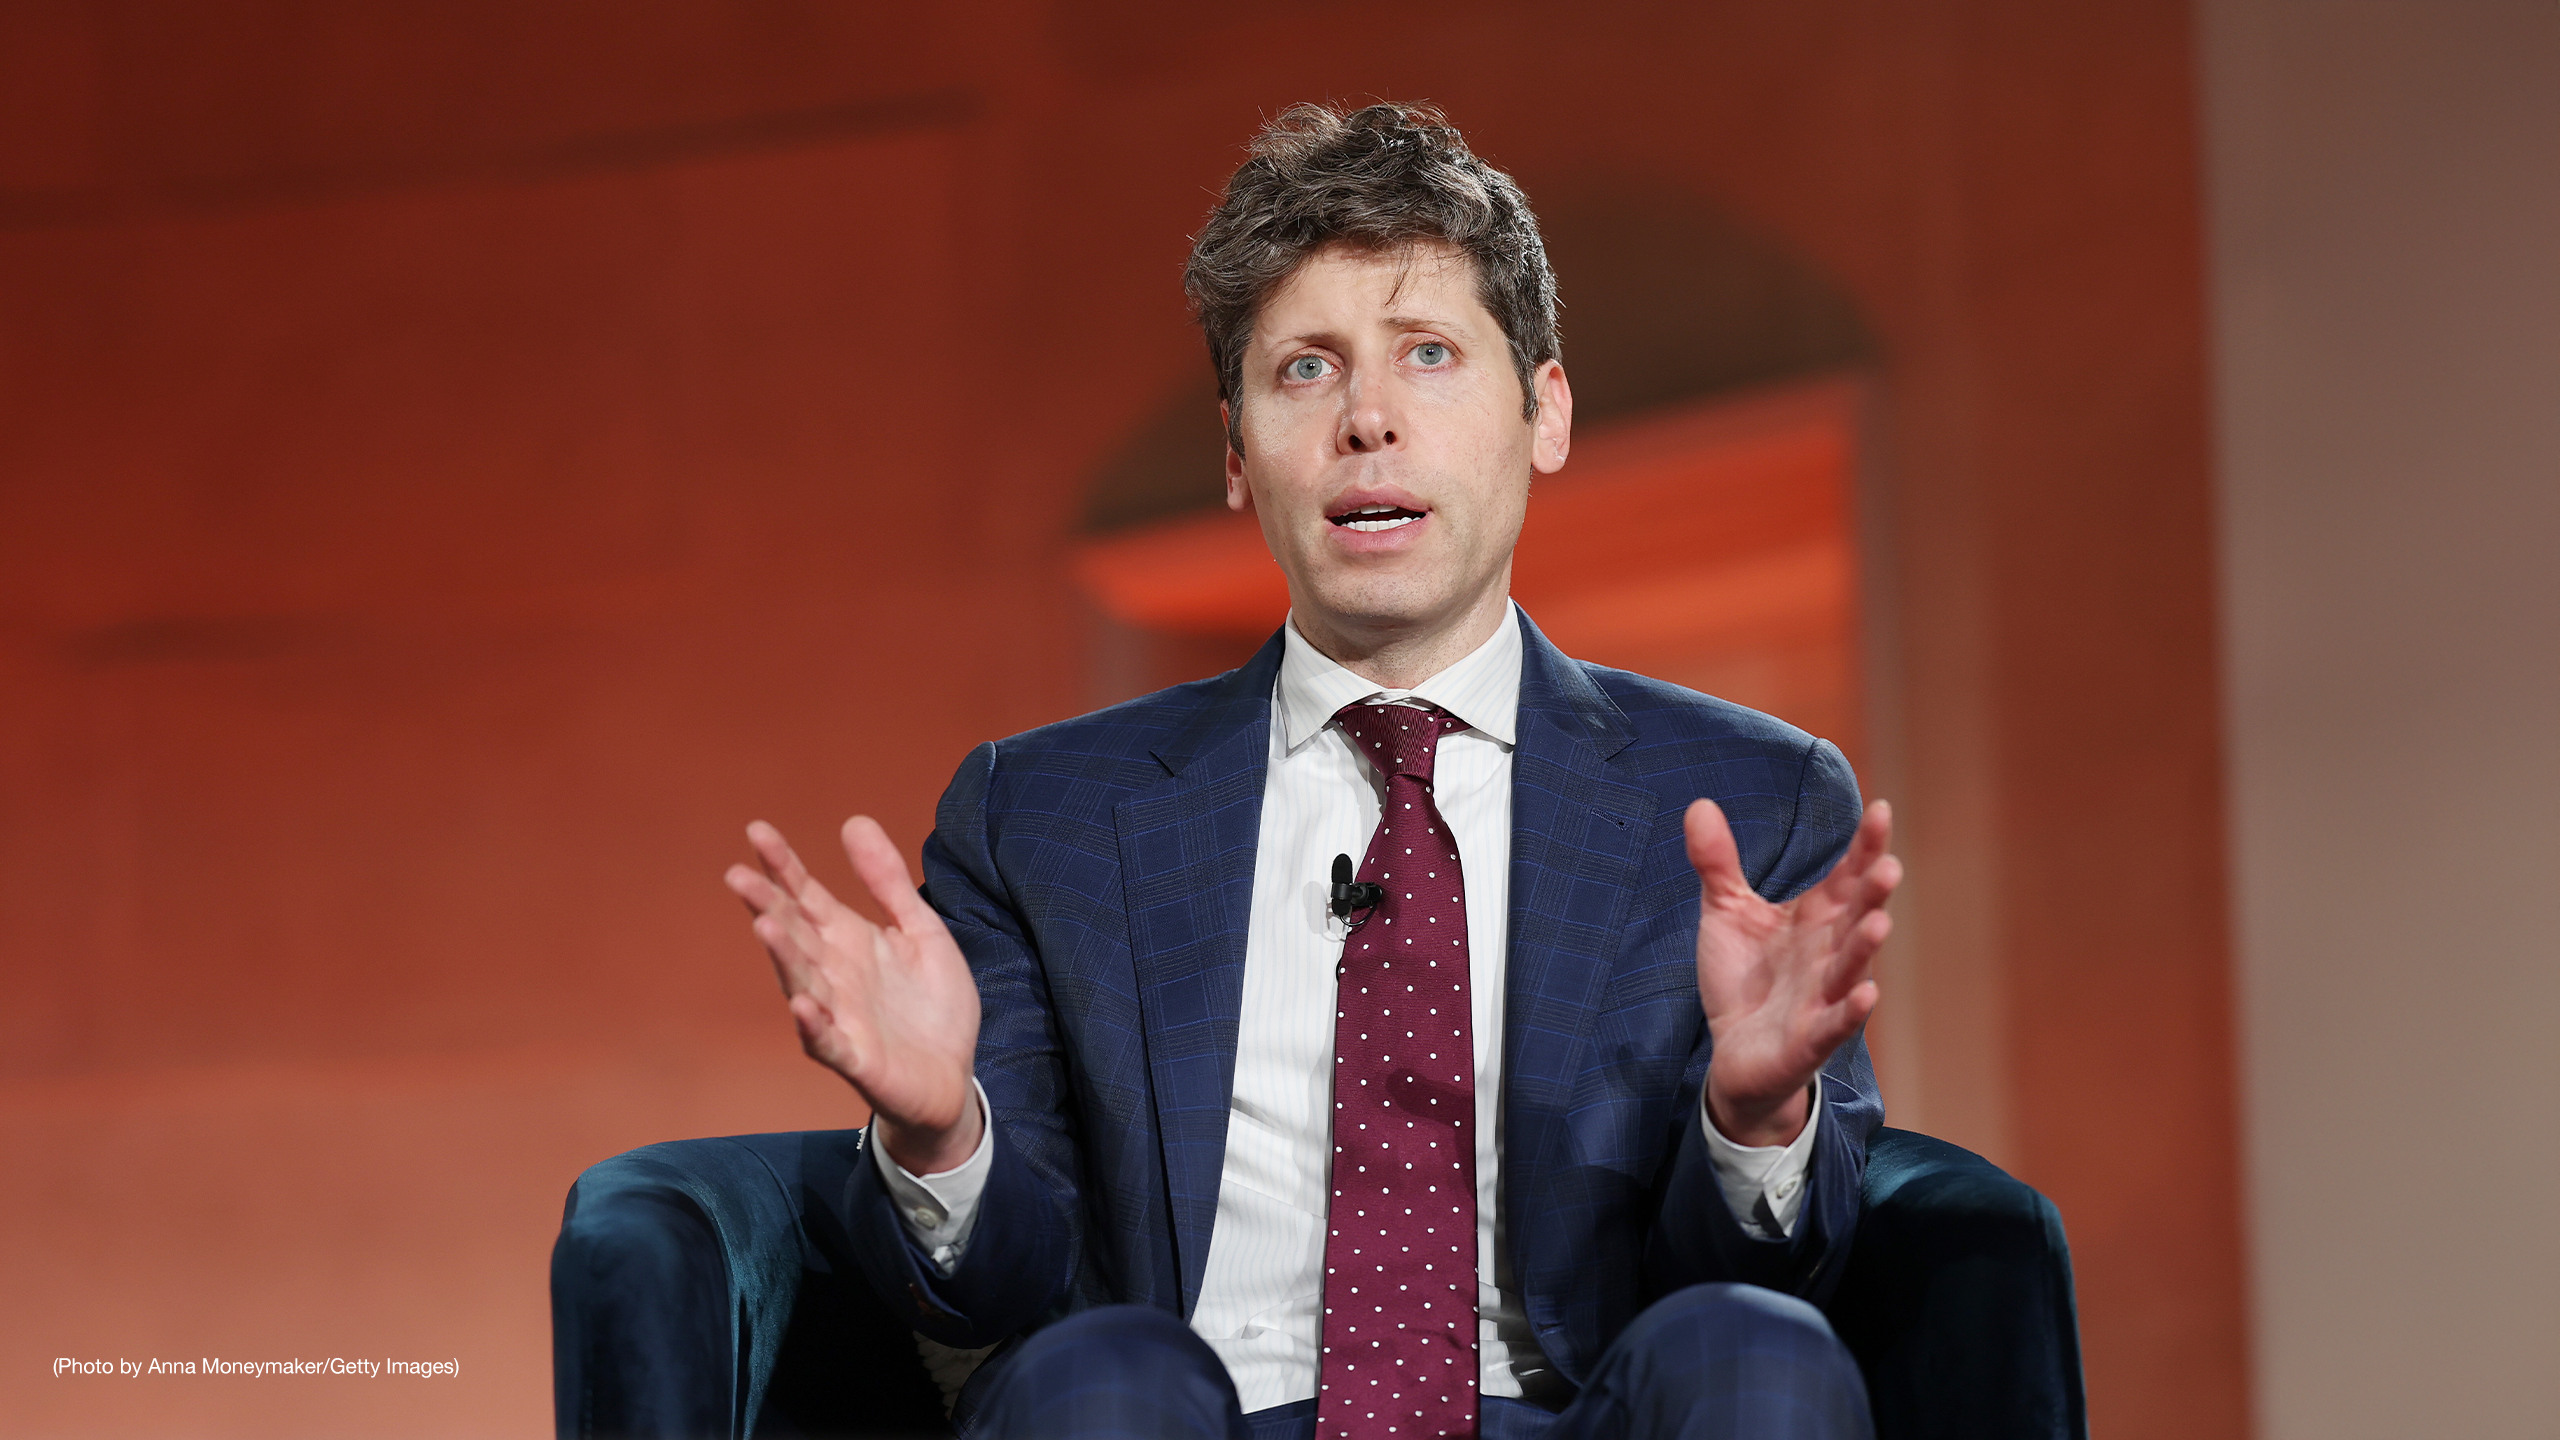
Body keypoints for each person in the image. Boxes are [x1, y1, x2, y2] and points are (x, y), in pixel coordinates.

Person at [725, 101, 1901, 1440]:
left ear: (1546, 412)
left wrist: (1753, 1119)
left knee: (1754, 1358)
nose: (1368, 422)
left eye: (1431, 354)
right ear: (1237, 456)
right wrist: (945, 1138)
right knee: (1094, 1380)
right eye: (1304, 372)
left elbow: (1776, 1273)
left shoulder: (1754, 799)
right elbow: (999, 1290)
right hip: (1187, 1408)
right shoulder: (1037, 818)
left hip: (1575, 1415)